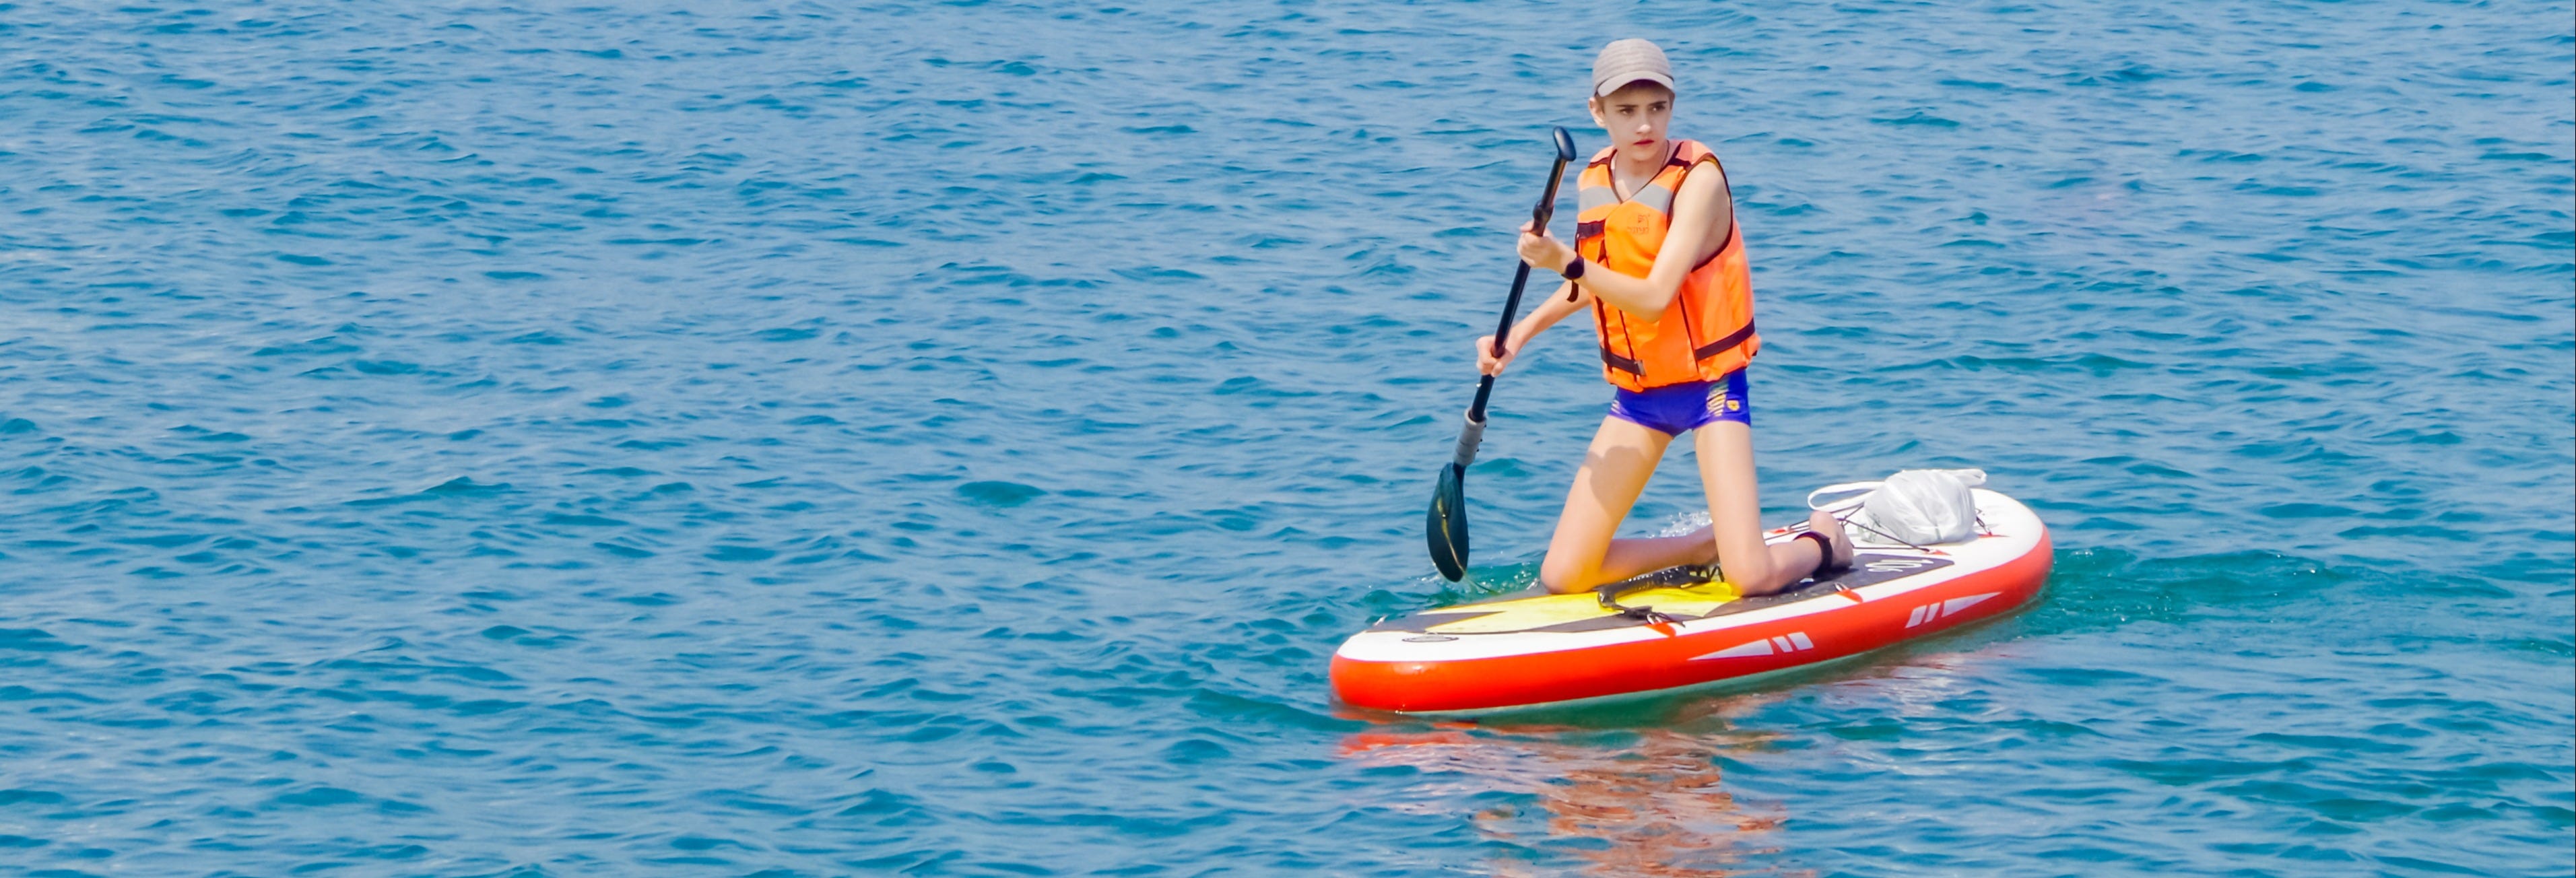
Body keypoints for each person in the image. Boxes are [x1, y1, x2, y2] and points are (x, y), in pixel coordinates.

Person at [1476, 38, 1853, 597]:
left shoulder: (1697, 180)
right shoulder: (1593, 181)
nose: (1644, 126)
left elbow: (1651, 296)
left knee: (1751, 578)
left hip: (1710, 388)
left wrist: (1564, 260)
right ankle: (1704, 545)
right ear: (1596, 112)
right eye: (1625, 112)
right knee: (1564, 574)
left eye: (1657, 108)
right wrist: (1519, 335)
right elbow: (1597, 285)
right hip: (1640, 394)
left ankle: (1823, 544)